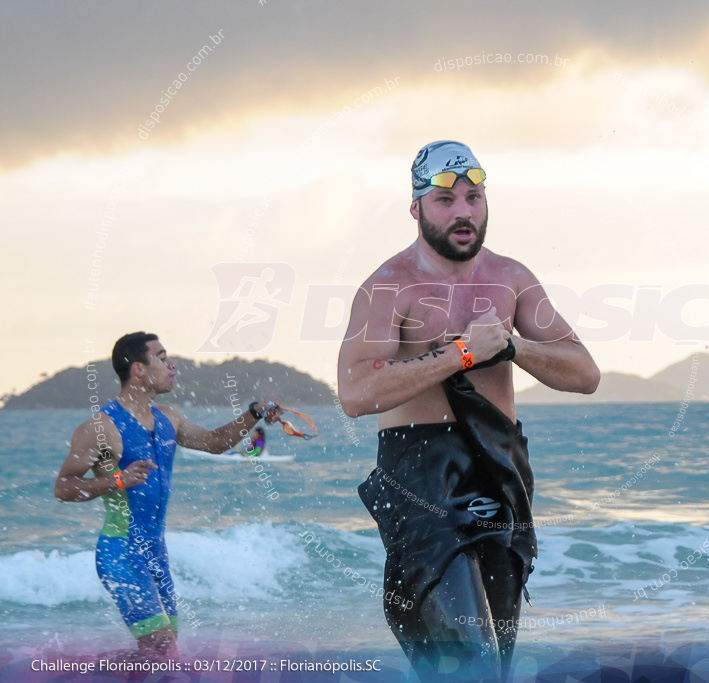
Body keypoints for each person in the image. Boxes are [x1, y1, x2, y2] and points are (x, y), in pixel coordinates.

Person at [337, 141, 600, 681]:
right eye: (444, 200)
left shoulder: (512, 278)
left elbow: (584, 373)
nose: (463, 212)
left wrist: (513, 346)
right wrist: (460, 353)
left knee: (491, 665)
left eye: (474, 198)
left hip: (500, 468)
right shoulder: (389, 286)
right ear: (416, 209)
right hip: (420, 472)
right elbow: (355, 392)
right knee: (472, 658)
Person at [54, 332, 282, 660]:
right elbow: (63, 487)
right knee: (162, 651)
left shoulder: (168, 418)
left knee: (162, 656)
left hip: (156, 554)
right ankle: (78, 671)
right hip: (121, 552)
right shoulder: (101, 428)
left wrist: (255, 412)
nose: (172, 364)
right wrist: (115, 481)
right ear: (139, 370)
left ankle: (87, 669)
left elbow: (215, 443)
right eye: (161, 357)